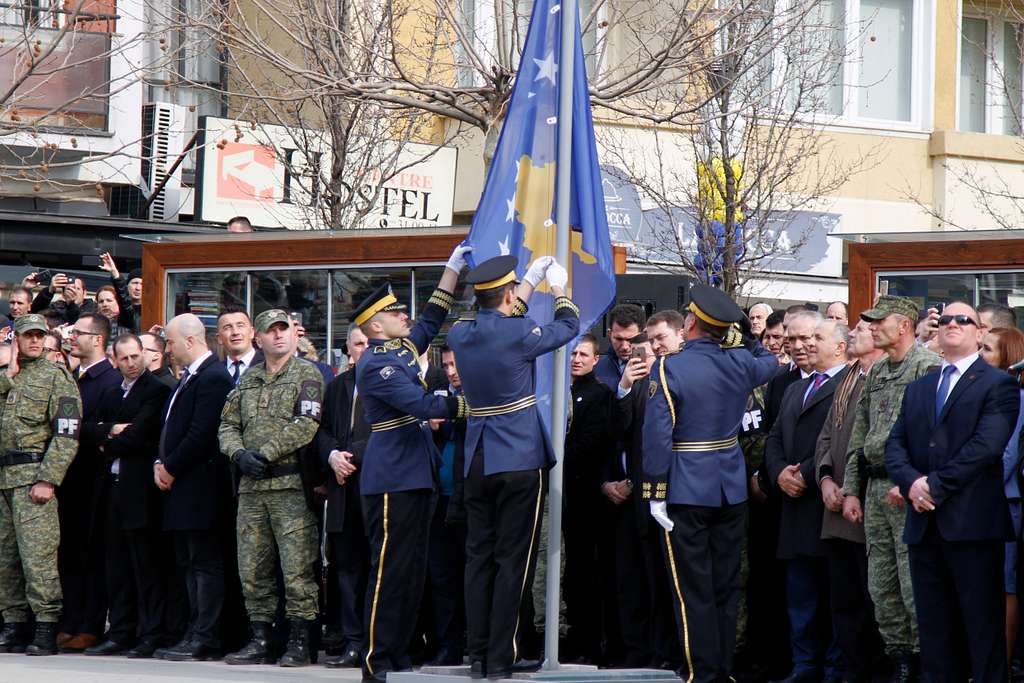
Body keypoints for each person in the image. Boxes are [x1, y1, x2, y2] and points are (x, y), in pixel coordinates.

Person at [446, 254, 579, 680]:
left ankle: (479, 653)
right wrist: (557, 287)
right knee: (512, 560)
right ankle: (502, 657)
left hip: (478, 456)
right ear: (506, 295)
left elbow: (501, 317)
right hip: (518, 457)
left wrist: (524, 282)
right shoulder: (521, 332)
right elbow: (568, 327)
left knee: (477, 558)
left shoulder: (461, 334)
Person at [642, 285, 779, 683]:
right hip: (729, 485)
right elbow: (768, 358)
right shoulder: (738, 363)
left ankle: (699, 672)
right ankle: (722, 670)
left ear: (691, 322)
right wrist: (736, 337)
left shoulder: (669, 367)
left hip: (685, 487)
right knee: (724, 585)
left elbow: (657, 435)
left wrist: (654, 492)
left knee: (691, 588)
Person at [886, 302, 1020, 682]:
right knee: (934, 632)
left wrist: (933, 485)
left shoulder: (999, 384)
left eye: (964, 319)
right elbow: (895, 444)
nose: (953, 324)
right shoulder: (919, 387)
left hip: (972, 525)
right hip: (924, 525)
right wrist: (911, 482)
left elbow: (986, 447)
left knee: (981, 631)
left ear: (980, 334)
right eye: (945, 319)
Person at [354, 245, 469, 683]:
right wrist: (473, 404)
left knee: (410, 570)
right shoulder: (377, 363)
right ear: (377, 325)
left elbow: (431, 321)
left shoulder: (399, 352)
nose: (406, 317)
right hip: (393, 477)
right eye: (397, 313)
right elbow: (422, 404)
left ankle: (397, 653)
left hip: (414, 473)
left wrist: (451, 272)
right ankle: (375, 660)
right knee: (388, 572)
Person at [841, 295, 941, 682]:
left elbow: (935, 435)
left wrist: (911, 478)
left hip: (907, 490)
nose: (872, 327)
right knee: (881, 585)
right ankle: (899, 657)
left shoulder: (927, 367)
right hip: (875, 488)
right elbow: (859, 433)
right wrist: (852, 488)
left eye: (880, 322)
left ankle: (924, 659)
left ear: (903, 326)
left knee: (913, 581)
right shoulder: (879, 371)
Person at [219, 309, 325, 668]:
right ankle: (260, 637)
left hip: (290, 486)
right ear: (258, 339)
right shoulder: (247, 381)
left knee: (297, 567)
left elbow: (306, 424)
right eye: (271, 331)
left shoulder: (307, 374)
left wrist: (264, 453)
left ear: (294, 335)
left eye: (284, 330)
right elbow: (227, 425)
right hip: (251, 488)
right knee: (252, 567)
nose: (279, 336)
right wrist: (238, 454)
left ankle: (300, 640)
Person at [765, 319, 850, 683]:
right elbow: (774, 438)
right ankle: (804, 666)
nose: (807, 344)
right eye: (806, 337)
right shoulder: (794, 389)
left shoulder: (849, 385)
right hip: (793, 506)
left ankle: (833, 668)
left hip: (825, 504)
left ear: (840, 347)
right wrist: (779, 472)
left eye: (817, 338)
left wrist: (807, 473)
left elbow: (840, 442)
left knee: (833, 596)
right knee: (800, 597)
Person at [84, 334, 176, 658]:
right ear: (115, 359)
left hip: (141, 491)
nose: (131, 363)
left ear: (145, 355)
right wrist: (110, 429)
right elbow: (87, 428)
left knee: (146, 567)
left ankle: (150, 632)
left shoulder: (157, 390)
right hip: (111, 489)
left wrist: (107, 440)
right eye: (124, 358)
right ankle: (120, 631)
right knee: (117, 565)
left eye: (136, 356)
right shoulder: (111, 392)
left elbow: (140, 434)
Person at [152, 314, 234, 662]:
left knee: (204, 563)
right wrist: (161, 462)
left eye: (169, 342)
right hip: (182, 488)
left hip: (201, 488)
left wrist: (170, 465)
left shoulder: (213, 376)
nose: (167, 349)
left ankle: (206, 635)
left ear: (189, 340)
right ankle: (193, 630)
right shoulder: (190, 378)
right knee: (189, 562)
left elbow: (202, 433)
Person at [0, 314, 81, 655]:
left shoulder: (56, 376)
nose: (34, 341)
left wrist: (49, 477)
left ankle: (46, 626)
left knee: (38, 557)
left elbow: (67, 431)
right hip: (3, 477)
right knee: (5, 558)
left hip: (33, 476)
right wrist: (8, 377)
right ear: (15, 340)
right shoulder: (6, 377)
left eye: (39, 335)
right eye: (27, 336)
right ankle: (12, 623)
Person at [603, 331, 679, 669]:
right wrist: (623, 388)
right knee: (630, 579)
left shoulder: (668, 386)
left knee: (660, 578)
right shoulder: (632, 391)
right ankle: (637, 650)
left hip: (662, 496)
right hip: (629, 502)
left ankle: (663, 650)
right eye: (638, 359)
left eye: (647, 358)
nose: (643, 364)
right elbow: (614, 432)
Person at [815, 319, 885, 683]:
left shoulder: (888, 376)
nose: (852, 333)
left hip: (868, 510)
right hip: (835, 511)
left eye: (860, 328)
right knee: (844, 604)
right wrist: (825, 479)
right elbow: (826, 437)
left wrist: (853, 488)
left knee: (875, 601)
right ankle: (852, 671)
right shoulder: (847, 379)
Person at [60, 313, 121, 652]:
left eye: (78, 333)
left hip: (94, 480)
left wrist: (93, 430)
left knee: (91, 556)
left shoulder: (109, 381)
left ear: (97, 339)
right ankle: (70, 620)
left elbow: (106, 429)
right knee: (68, 554)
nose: (72, 337)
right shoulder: (73, 376)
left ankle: (90, 624)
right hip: (68, 478)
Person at [316, 322, 370, 669]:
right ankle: (352, 641)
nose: (363, 349)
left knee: (375, 569)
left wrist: (355, 456)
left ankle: (375, 640)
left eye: (368, 343)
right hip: (342, 489)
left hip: (374, 487)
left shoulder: (389, 381)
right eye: (357, 344)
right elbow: (321, 430)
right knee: (346, 570)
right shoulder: (336, 386)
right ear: (347, 348)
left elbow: (391, 430)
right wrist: (333, 455)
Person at [563, 333, 619, 664]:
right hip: (563, 498)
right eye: (573, 353)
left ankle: (589, 642)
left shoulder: (600, 395)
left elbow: (592, 446)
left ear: (596, 359)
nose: (577, 359)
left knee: (586, 573)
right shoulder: (557, 393)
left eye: (584, 354)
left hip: (585, 500)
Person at [981, 326, 1024, 672]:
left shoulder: (1015, 396)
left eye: (988, 350)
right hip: (974, 499)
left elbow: (1006, 454)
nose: (980, 355)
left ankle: (1002, 665)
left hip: (1002, 499)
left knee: (1004, 584)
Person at [423, 344, 469, 666]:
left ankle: (473, 640)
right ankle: (447, 643)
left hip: (470, 501)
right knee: (441, 576)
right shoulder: (440, 399)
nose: (451, 371)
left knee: (471, 574)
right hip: (440, 499)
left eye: (456, 365)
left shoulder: (482, 397)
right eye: (448, 365)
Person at [594, 304, 645, 390]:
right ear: (609, 334)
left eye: (631, 339)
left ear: (643, 335)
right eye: (619, 339)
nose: (625, 347)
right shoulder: (595, 367)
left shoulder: (656, 368)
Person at [217, 309, 262, 386]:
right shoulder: (214, 372)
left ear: (252, 332)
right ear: (219, 338)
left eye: (240, 326)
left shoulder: (269, 366)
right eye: (227, 327)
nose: (235, 332)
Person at [98, 253, 142, 333]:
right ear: (127, 285)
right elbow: (126, 303)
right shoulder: (123, 312)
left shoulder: (153, 311)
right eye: (135, 283)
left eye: (142, 284)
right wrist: (115, 273)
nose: (138, 288)